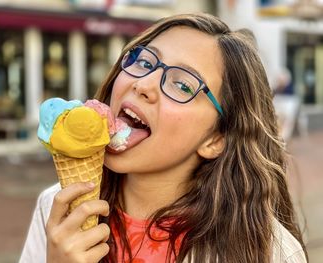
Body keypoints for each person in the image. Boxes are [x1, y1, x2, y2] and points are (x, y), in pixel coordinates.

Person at [19, 13, 308, 263]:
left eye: (182, 85)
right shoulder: (56, 209)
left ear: (215, 140)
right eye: (144, 63)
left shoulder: (268, 250)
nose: (143, 84)